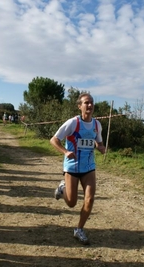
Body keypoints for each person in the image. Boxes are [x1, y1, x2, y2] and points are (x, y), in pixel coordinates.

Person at [50, 93, 106, 245]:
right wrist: (65, 151)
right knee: (72, 203)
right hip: (72, 167)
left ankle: (79, 229)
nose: (90, 105)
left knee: (90, 199)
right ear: (79, 106)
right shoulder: (73, 123)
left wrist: (101, 147)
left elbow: (98, 142)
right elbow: (54, 140)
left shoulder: (96, 125)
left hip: (89, 167)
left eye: (91, 103)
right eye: (86, 103)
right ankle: (63, 189)